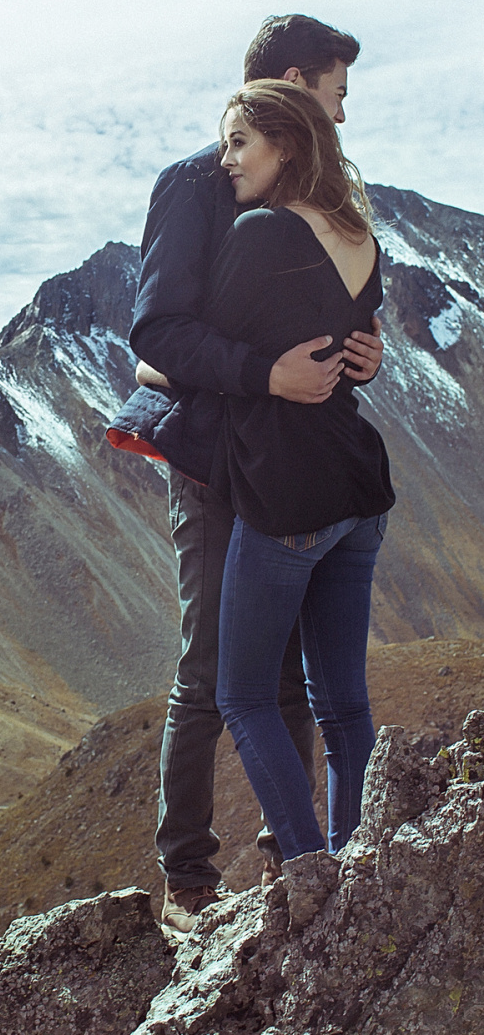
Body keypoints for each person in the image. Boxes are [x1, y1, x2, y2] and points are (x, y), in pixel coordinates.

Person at [107, 15, 383, 937]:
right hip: (213, 457)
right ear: (298, 90)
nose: (342, 116)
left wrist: (360, 353)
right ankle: (189, 880)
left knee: (294, 679)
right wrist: (264, 372)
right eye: (336, 95)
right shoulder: (197, 185)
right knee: (212, 672)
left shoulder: (322, 205)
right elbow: (158, 340)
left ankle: (288, 860)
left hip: (288, 460)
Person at [207, 80, 394, 859]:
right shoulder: (359, 235)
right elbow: (354, 346)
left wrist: (154, 371)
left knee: (243, 696)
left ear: (283, 145)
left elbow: (183, 354)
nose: (226, 161)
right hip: (360, 492)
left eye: (238, 142)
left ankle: (310, 867)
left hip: (291, 496)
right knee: (343, 700)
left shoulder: (262, 235)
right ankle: (358, 866)